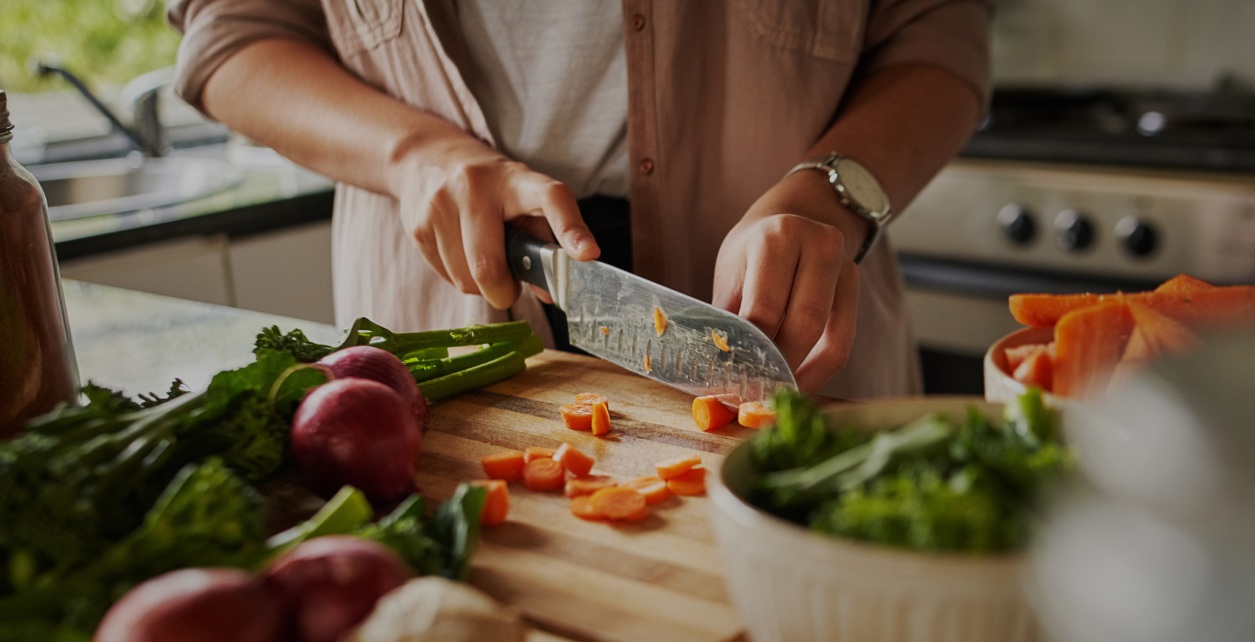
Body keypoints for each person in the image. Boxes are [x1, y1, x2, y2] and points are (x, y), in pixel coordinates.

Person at [167, 1, 990, 397]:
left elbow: (941, 40)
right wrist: (415, 154)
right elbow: (231, 35)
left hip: (793, 326)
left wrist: (831, 193)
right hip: (453, 310)